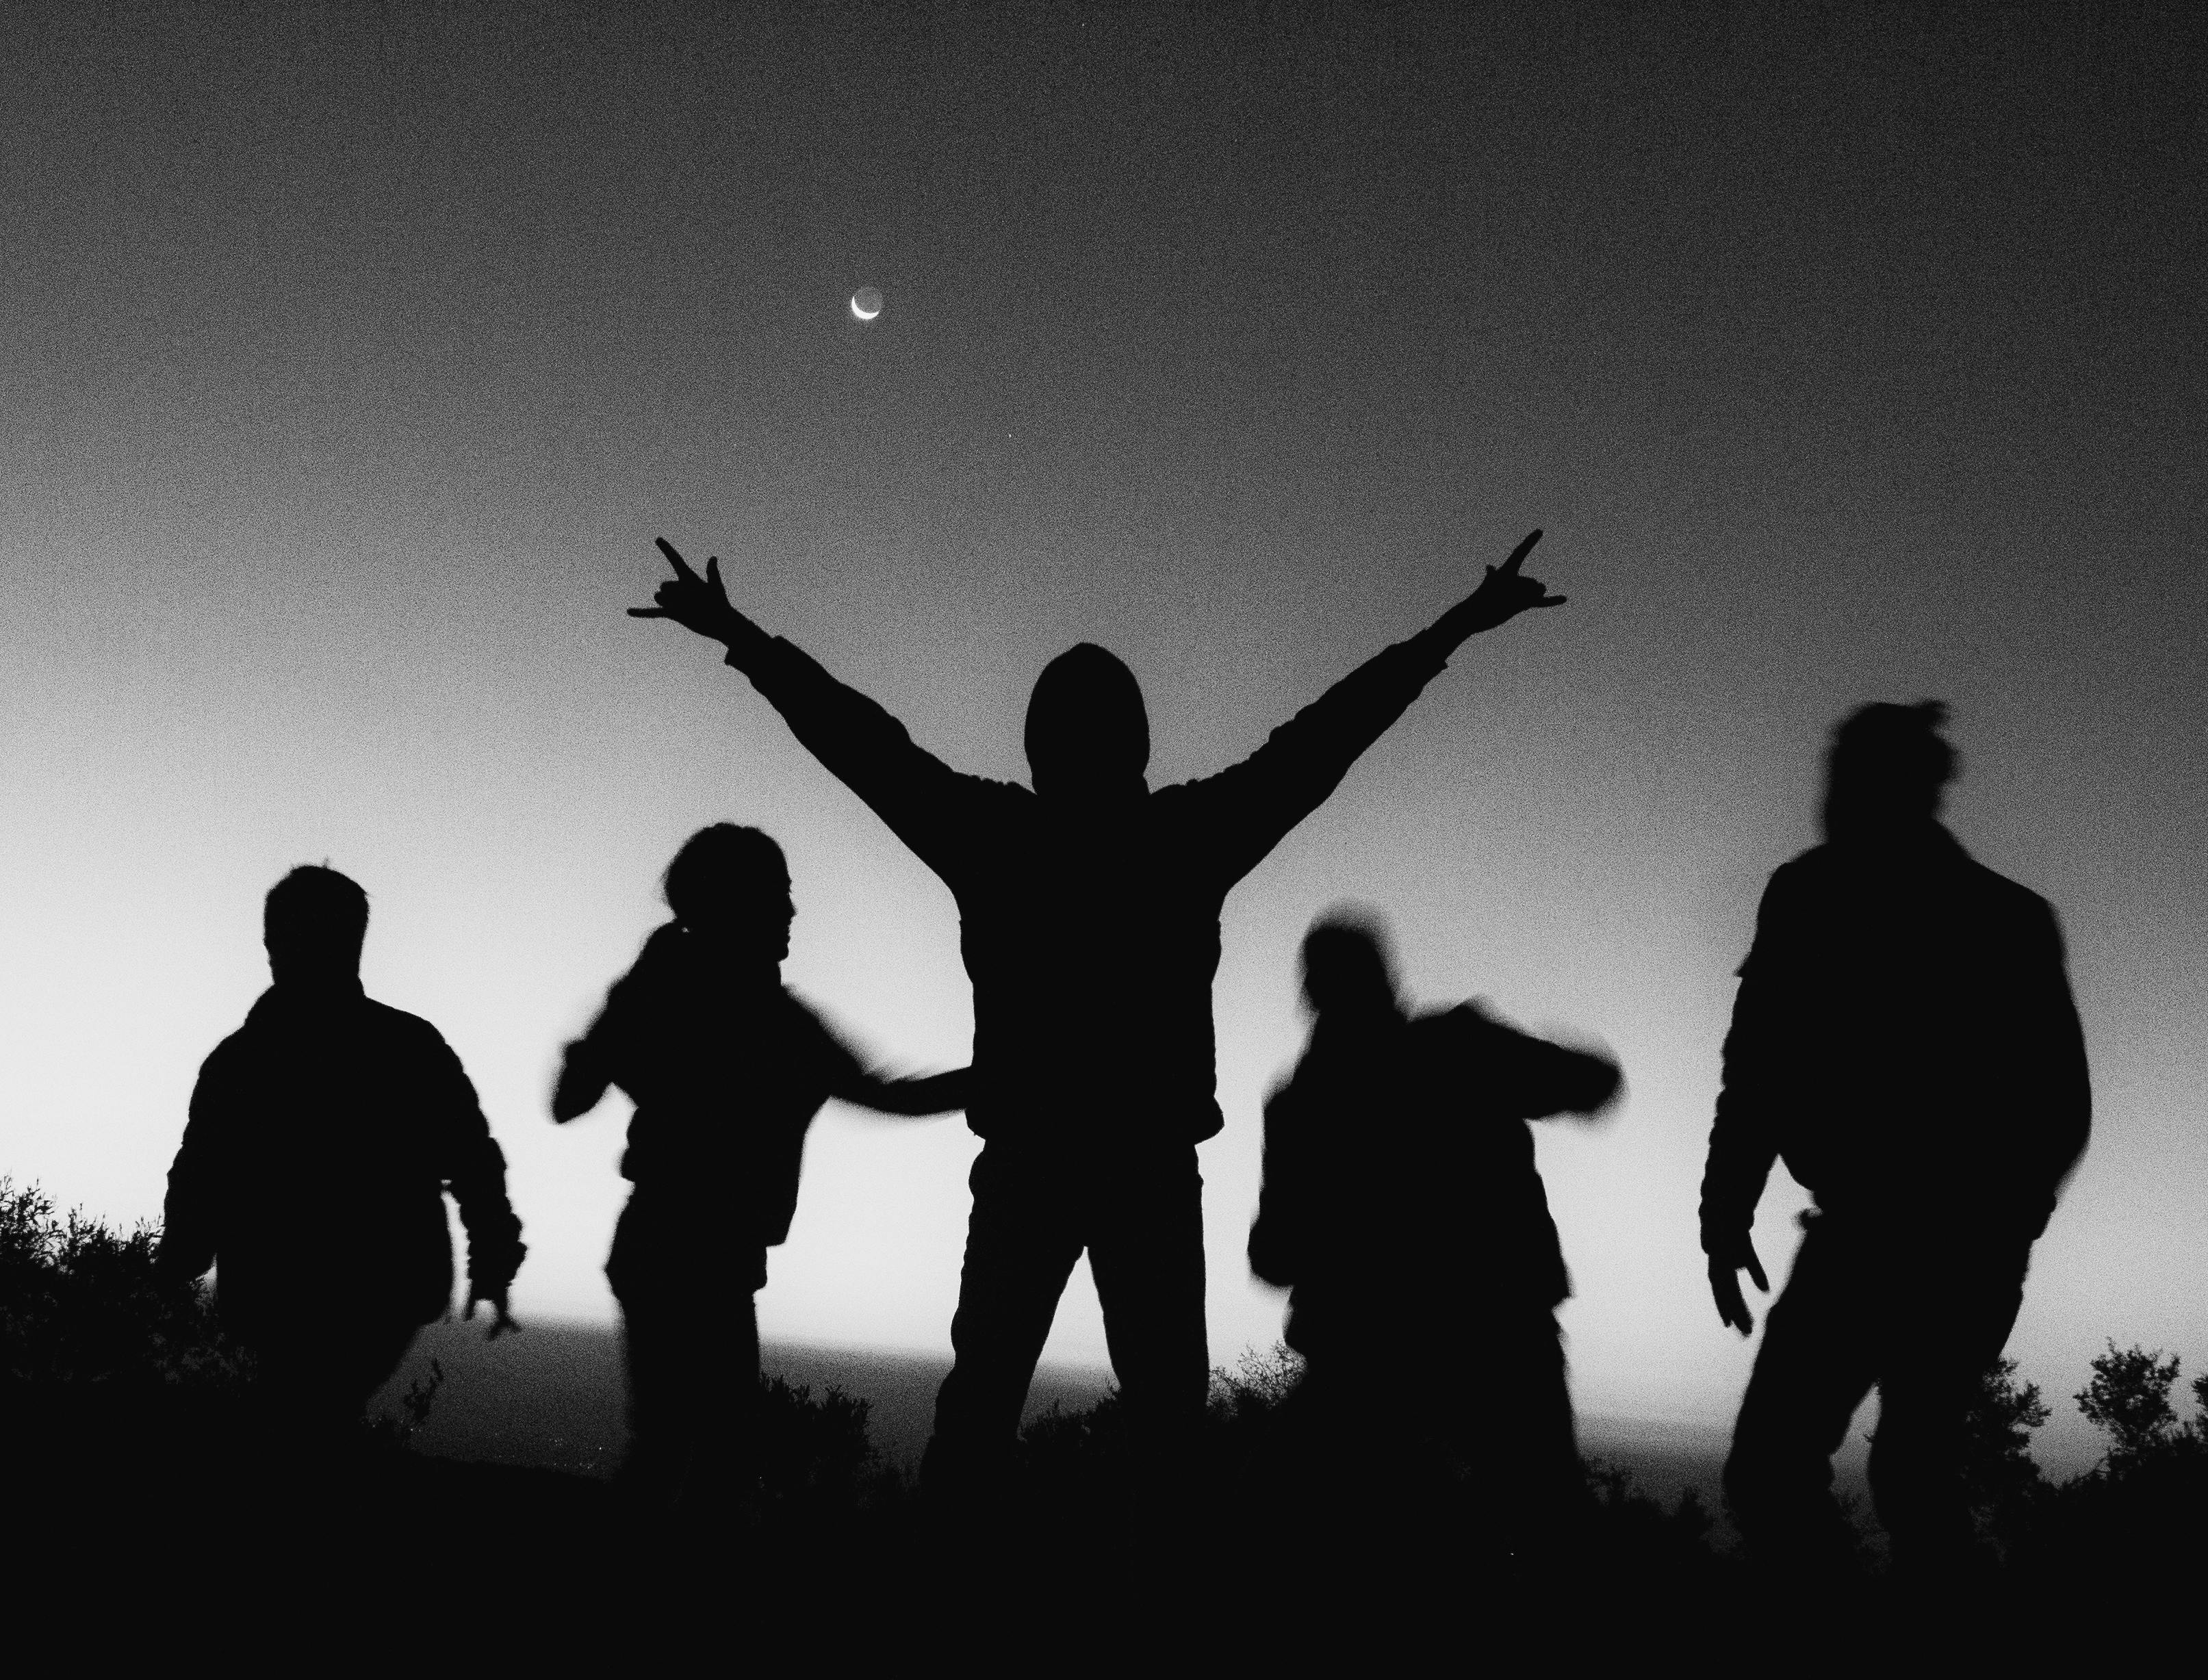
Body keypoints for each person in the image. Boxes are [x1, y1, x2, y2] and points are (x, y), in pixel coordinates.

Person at [630, 532, 1567, 1486]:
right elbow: (1326, 739)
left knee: (994, 1408)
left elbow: (859, 742)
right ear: (1138, 744)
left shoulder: (999, 838)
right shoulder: (1180, 839)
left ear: (1039, 745)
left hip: (1046, 1166)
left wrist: (740, 636)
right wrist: (1456, 624)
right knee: (1149, 1422)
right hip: (1139, 1169)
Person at [1699, 703, 2091, 1571]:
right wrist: (1724, 1212)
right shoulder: (1810, 895)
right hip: (1877, 1235)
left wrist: (2002, 1226)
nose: (1829, 795)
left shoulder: (2001, 919)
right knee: (1835, 1477)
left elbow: (2061, 1103)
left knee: (1887, 1477)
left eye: (1846, 776)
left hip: (1940, 1243)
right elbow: (1758, 1068)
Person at [553, 825, 966, 1502]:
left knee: (683, 1450)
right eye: (778, 895)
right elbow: (890, 1096)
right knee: (697, 1455)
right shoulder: (753, 1015)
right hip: (683, 1252)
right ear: (735, 902)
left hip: (683, 1251)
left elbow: (571, 1098)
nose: (792, 912)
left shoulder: (711, 1002)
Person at [1249, 912, 1621, 1556]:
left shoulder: (1300, 1104)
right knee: (1549, 1537)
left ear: (1310, 994)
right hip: (1490, 1337)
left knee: (1301, 1535)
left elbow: (1273, 1257)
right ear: (1388, 981)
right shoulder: (1457, 1048)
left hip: (1373, 1353)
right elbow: (1595, 1083)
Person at [162, 864, 523, 1431]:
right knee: (314, 1414)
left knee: (299, 1413)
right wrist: (494, 1260)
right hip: (383, 1286)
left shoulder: (242, 1059)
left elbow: (200, 1170)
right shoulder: (408, 1047)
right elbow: (474, 1160)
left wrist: (179, 1256)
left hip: (284, 1287)